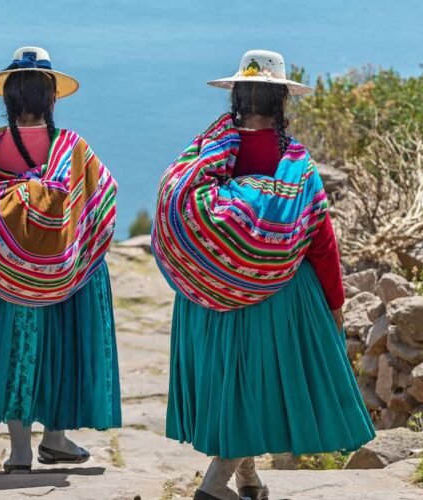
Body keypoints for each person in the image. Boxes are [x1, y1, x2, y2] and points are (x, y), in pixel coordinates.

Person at [153, 50, 375, 500]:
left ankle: (248, 477)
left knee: (235, 384)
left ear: (237, 97)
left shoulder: (208, 151)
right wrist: (335, 304)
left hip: (211, 297)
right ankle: (216, 483)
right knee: (257, 386)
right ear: (281, 102)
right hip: (278, 296)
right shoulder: (295, 164)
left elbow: (176, 200)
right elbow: (321, 241)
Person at [0, 46, 121, 474]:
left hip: (3, 279)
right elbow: (105, 199)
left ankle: (19, 452)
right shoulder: (73, 149)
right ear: (52, 100)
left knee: (14, 350)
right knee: (60, 347)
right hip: (65, 279)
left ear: (8, 100)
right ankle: (56, 438)